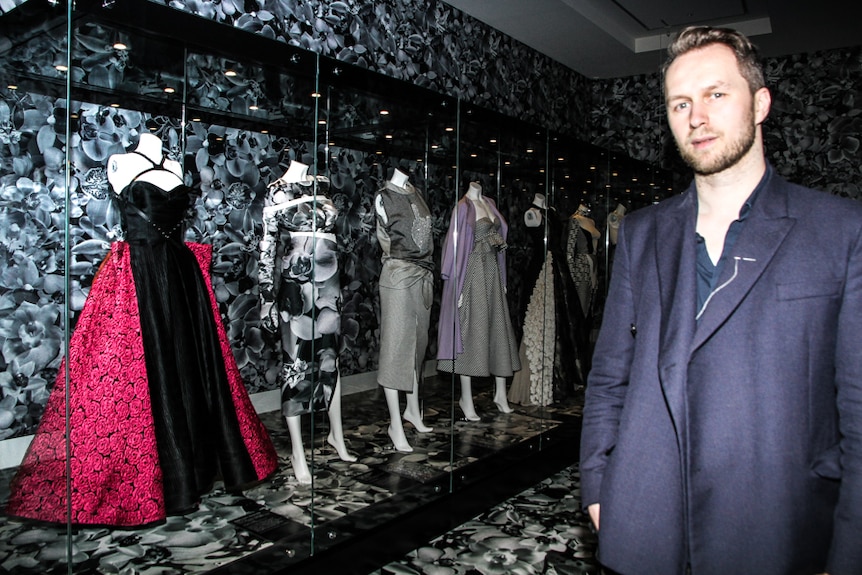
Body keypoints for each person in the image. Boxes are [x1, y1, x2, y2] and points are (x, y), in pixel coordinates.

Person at [580, 26, 862, 575]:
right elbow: (610, 373)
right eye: (680, 102)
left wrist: (848, 554)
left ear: (760, 103)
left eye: (716, 94)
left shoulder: (840, 231)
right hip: (645, 522)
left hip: (774, 529)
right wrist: (597, 483)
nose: (696, 116)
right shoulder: (641, 232)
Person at [5, 133, 278, 526]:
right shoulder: (120, 163)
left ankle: (190, 474)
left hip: (182, 276)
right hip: (139, 273)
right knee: (138, 373)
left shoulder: (173, 166)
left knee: (187, 369)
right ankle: (151, 480)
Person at [259, 160, 356, 484]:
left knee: (331, 360)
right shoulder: (277, 190)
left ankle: (337, 436)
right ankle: (298, 452)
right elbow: (267, 246)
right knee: (295, 364)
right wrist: (267, 298)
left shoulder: (322, 184)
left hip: (329, 282)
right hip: (296, 285)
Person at [437, 181, 518, 421]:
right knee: (471, 333)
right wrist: (456, 285)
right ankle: (466, 398)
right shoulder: (463, 207)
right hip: (473, 273)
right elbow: (453, 248)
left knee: (499, 332)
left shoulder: (489, 203)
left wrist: (502, 277)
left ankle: (501, 393)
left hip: (492, 272)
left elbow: (499, 242)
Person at [374, 168, 434, 452]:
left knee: (417, 347)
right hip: (398, 276)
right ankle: (394, 424)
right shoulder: (383, 197)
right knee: (396, 350)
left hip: (423, 276)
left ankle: (412, 411)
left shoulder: (416, 193)